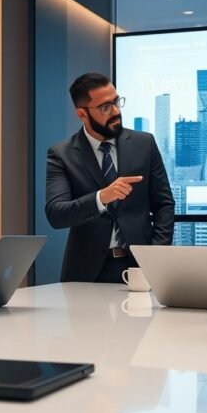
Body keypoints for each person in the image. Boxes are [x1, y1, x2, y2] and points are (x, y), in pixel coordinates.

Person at [45, 72, 175, 283]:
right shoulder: (62, 154)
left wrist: (155, 255)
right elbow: (56, 214)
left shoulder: (144, 144)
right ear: (82, 114)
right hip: (86, 273)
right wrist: (101, 198)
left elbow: (165, 205)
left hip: (140, 267)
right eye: (105, 107)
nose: (115, 111)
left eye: (116, 102)